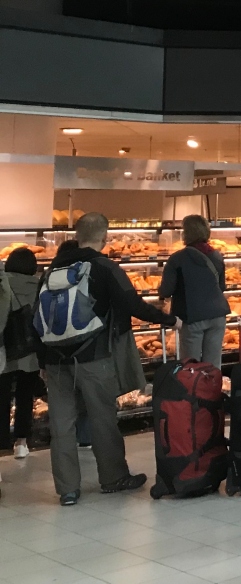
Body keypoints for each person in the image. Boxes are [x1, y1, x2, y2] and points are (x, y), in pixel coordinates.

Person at [37, 213, 176, 505]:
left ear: (76, 235)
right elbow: (133, 304)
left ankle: (67, 490)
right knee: (102, 419)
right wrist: (169, 320)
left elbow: (36, 320)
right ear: (104, 236)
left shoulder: (52, 270)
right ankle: (113, 478)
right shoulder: (104, 267)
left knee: (61, 425)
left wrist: (42, 362)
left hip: (55, 361)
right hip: (93, 357)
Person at [158, 214, 230, 366]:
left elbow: (166, 290)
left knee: (191, 366)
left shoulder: (177, 259)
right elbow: (222, 287)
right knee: (213, 365)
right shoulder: (217, 256)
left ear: (186, 233)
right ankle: (213, 382)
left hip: (191, 317)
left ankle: (193, 383)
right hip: (217, 315)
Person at [0, 248, 41, 459]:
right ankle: (21, 443)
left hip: (5, 349)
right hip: (29, 350)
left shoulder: (2, 284)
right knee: (25, 397)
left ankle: (1, 443)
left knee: (2, 397)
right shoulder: (39, 285)